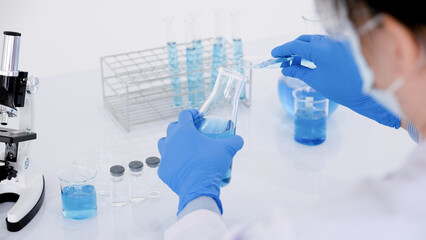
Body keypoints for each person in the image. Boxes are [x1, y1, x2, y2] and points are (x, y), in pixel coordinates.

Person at [157, 0, 426, 239]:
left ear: (397, 47)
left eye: (358, 40)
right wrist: (403, 113)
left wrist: (196, 197)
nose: (361, 56)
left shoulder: (382, 216)